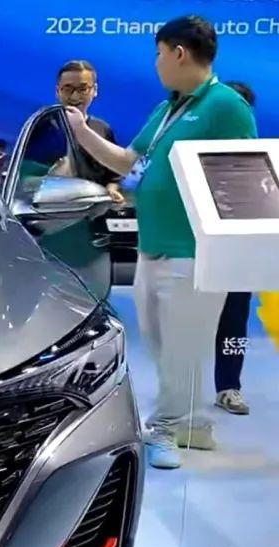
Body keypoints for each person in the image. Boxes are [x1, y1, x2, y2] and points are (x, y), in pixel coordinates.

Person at [64, 15, 257, 469]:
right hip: (153, 246)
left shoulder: (225, 106)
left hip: (193, 251)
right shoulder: (166, 109)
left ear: (179, 53)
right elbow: (129, 161)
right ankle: (192, 425)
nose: (156, 64)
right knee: (162, 343)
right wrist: (82, 133)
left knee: (181, 346)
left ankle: (166, 428)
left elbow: (243, 176)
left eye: (158, 54)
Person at [213, 81, 257, 415]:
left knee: (234, 323)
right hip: (191, 251)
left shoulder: (260, 163)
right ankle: (179, 398)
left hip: (239, 254)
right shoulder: (187, 154)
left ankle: (230, 387)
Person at [55, 60, 124, 202]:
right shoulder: (43, 127)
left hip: (91, 210)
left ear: (95, 90)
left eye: (83, 89)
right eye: (68, 89)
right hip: (52, 210)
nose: (75, 96)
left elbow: (114, 175)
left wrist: (111, 189)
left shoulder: (102, 129)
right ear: (58, 91)